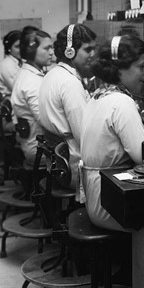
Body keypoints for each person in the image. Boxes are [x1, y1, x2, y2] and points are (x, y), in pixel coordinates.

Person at [80, 34, 144, 231]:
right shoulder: (121, 102)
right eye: (141, 66)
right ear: (120, 68)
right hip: (110, 206)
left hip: (101, 197)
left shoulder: (99, 95)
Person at [38, 23, 97, 192]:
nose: (93, 55)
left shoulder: (53, 75)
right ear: (70, 51)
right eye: (88, 50)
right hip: (74, 170)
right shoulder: (70, 84)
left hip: (59, 167)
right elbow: (85, 139)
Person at [11, 28, 54, 166]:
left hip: (33, 144)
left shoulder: (27, 73)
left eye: (52, 48)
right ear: (31, 50)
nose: (52, 52)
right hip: (39, 151)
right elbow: (46, 121)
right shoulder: (32, 81)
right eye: (47, 48)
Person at [0, 30, 22, 98]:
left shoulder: (21, 62)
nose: (21, 49)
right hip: (7, 104)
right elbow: (18, 90)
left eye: (22, 46)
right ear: (9, 48)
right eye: (17, 47)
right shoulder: (7, 65)